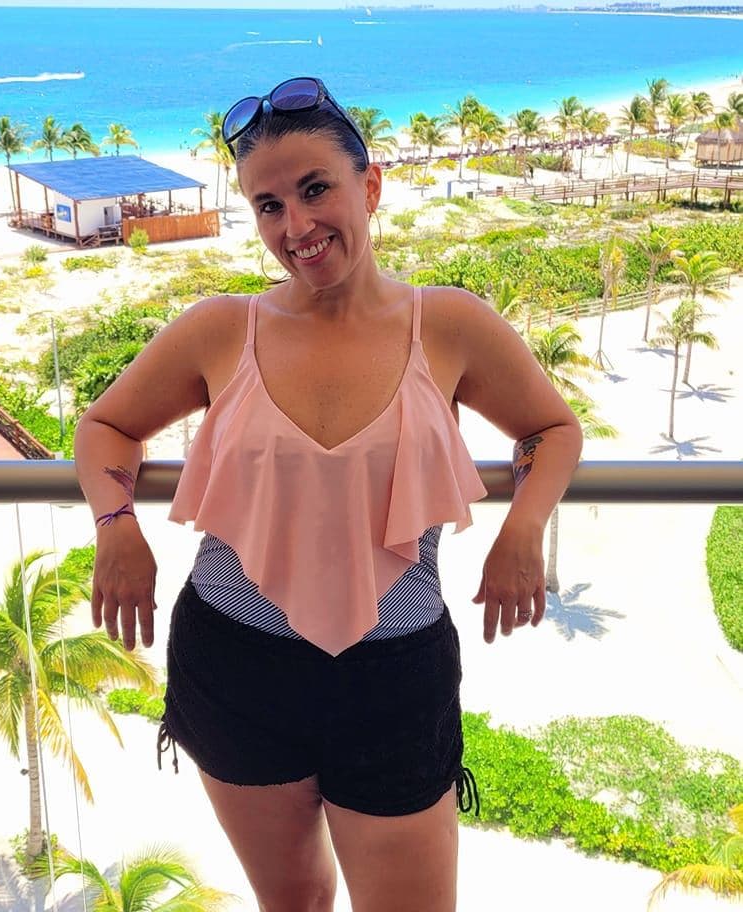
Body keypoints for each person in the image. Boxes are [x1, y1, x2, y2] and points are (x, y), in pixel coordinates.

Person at [74, 75, 583, 912]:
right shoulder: (221, 329)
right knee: (295, 906)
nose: (296, 227)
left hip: (395, 678)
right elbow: (105, 427)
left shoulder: (448, 324)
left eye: (315, 190)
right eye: (268, 206)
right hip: (233, 664)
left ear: (369, 185)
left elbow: (551, 429)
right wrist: (117, 524)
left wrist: (522, 530)